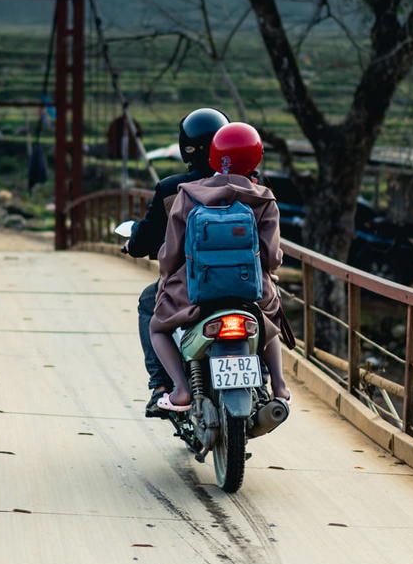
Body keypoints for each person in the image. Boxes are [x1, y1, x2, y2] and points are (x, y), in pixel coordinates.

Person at [149, 122, 292, 413]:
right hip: (250, 293)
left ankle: (180, 390)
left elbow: (171, 255)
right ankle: (279, 385)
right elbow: (271, 257)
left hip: (196, 293)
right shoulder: (264, 198)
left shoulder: (188, 194)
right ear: (256, 158)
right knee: (270, 324)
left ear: (214, 156)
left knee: (157, 328)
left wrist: (168, 275)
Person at [125, 107, 229, 416]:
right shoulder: (250, 184)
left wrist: (133, 245)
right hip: (245, 281)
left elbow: (146, 239)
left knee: (149, 302)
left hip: (192, 285)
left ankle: (162, 386)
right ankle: (271, 383)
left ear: (186, 147)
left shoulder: (172, 189)